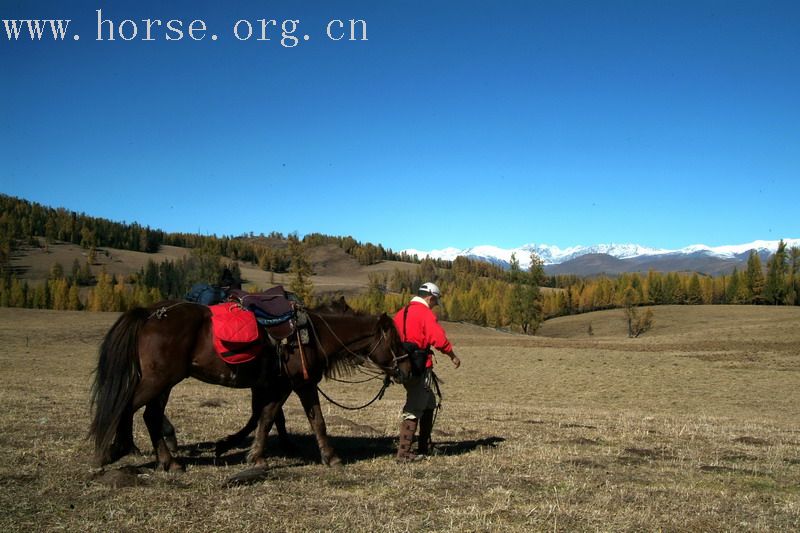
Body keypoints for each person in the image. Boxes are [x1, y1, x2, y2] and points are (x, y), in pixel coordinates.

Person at [393, 282, 461, 462]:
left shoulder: (400, 314)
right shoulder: (425, 314)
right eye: (435, 302)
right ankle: (404, 453)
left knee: (429, 403)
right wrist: (452, 355)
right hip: (419, 368)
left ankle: (423, 447)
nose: (434, 305)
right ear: (430, 297)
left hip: (403, 368)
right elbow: (438, 339)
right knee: (414, 407)